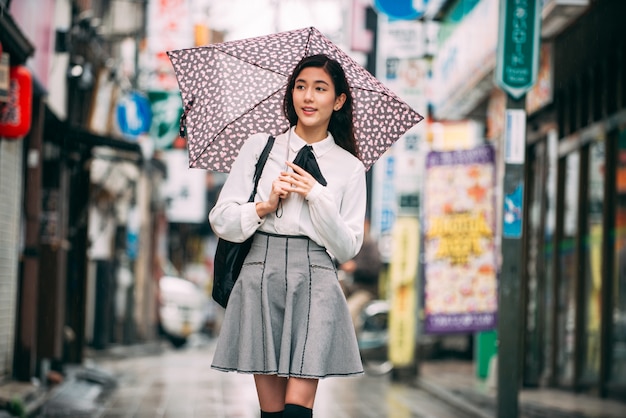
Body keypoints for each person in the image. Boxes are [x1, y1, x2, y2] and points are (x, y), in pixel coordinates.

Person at [208, 54, 366, 418]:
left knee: (298, 408)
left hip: (316, 278)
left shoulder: (350, 168)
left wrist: (316, 195)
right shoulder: (259, 148)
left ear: (338, 100)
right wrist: (264, 206)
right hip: (260, 271)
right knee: (273, 411)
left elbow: (346, 247)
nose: (308, 97)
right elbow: (221, 218)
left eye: (320, 88)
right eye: (301, 86)